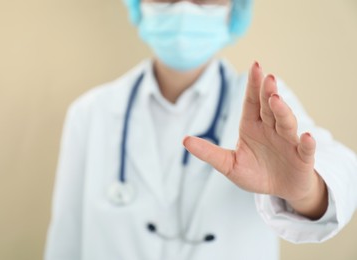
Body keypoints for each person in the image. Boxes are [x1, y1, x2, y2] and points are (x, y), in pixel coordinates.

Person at [44, 0, 357, 259]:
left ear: (234, 9)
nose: (184, 8)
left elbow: (339, 166)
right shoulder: (90, 113)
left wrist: (307, 191)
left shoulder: (265, 104)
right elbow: (65, 241)